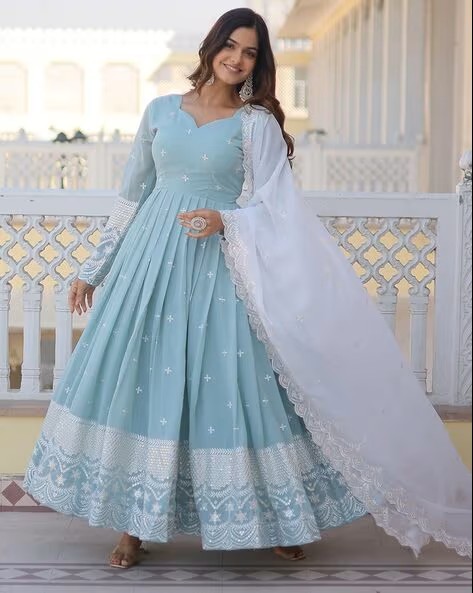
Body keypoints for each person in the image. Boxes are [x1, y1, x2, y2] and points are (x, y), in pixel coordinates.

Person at [24, 8, 472, 570]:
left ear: (258, 63)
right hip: (151, 266)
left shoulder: (256, 124)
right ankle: (134, 527)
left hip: (224, 268)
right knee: (147, 383)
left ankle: (280, 517)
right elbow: (133, 195)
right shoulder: (160, 111)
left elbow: (276, 206)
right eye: (230, 46)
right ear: (211, 47)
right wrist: (95, 268)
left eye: (250, 52)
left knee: (245, 387)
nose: (237, 59)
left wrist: (226, 220)